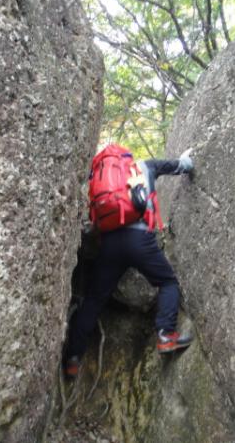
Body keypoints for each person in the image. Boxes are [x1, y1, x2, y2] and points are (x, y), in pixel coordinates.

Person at [63, 147, 195, 378]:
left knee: (94, 299)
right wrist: (185, 158)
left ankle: (73, 358)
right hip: (140, 239)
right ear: (127, 157)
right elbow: (185, 166)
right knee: (167, 282)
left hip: (109, 243)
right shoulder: (145, 166)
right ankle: (166, 335)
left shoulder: (98, 179)